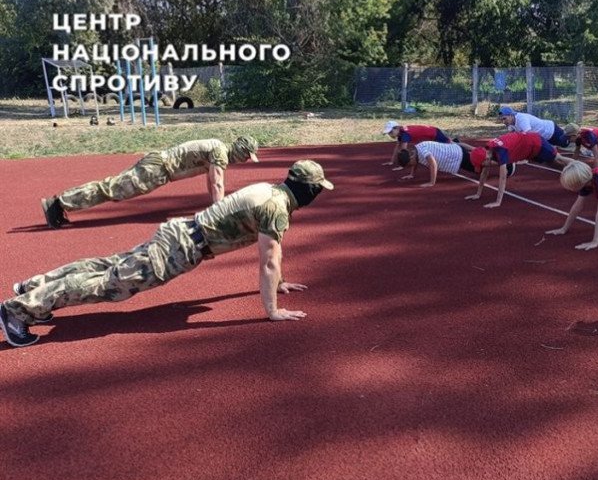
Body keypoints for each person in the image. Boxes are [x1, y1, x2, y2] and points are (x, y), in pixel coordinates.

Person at [1, 161, 334, 347]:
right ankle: (19, 310)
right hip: (182, 248)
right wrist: (273, 310)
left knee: (108, 266)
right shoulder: (277, 208)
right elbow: (269, 259)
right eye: (318, 189)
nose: (318, 194)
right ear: (308, 189)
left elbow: (274, 255)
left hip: (179, 233)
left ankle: (34, 286)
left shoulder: (270, 191)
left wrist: (281, 281)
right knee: (112, 284)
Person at [40, 136, 260, 229]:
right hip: (157, 168)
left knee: (113, 188)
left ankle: (60, 205)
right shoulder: (220, 152)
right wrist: (219, 212)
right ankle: (57, 204)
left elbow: (212, 182)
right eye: (246, 156)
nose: (245, 160)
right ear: (240, 150)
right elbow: (217, 184)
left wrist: (214, 204)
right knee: (112, 189)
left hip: (158, 167)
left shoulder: (218, 150)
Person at [466, 132, 569, 208]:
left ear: (485, 159)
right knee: (551, 163)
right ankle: (573, 171)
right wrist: (478, 194)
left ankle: (580, 168)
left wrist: (498, 202)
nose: (483, 167)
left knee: (559, 159)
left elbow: (503, 178)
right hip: (529, 150)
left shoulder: (500, 152)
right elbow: (484, 172)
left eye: (482, 164)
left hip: (535, 143)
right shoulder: (488, 150)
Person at [396, 140, 489, 187]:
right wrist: (412, 174)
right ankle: (484, 155)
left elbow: (433, 164)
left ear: (411, 156)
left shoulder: (422, 151)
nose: (412, 165)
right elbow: (415, 162)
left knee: (480, 170)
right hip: (455, 151)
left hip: (458, 157)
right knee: (477, 162)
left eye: (410, 164)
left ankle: (498, 162)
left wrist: (432, 182)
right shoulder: (416, 151)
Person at [382, 120, 451, 167]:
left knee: (449, 146)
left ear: (397, 128)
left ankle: (458, 145)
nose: (390, 135)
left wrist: (402, 165)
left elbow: (404, 151)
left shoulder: (404, 135)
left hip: (434, 133)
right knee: (447, 144)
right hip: (432, 133)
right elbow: (397, 147)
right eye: (388, 133)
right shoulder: (401, 133)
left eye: (391, 132)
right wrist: (392, 161)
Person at [498, 106, 574, 147]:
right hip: (545, 136)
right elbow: (512, 136)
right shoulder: (510, 124)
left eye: (505, 119)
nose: (503, 122)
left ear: (511, 115)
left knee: (565, 144)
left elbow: (530, 136)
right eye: (502, 120)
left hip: (551, 130)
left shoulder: (522, 119)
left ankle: (577, 137)